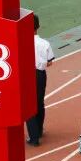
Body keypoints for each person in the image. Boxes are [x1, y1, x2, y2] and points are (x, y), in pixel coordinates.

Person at [25, 14, 55, 146]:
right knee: (39, 102)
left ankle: (34, 137)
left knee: (28, 105)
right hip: (40, 75)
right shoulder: (45, 43)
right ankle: (39, 130)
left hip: (26, 75)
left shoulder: (22, 42)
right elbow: (50, 62)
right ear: (38, 26)